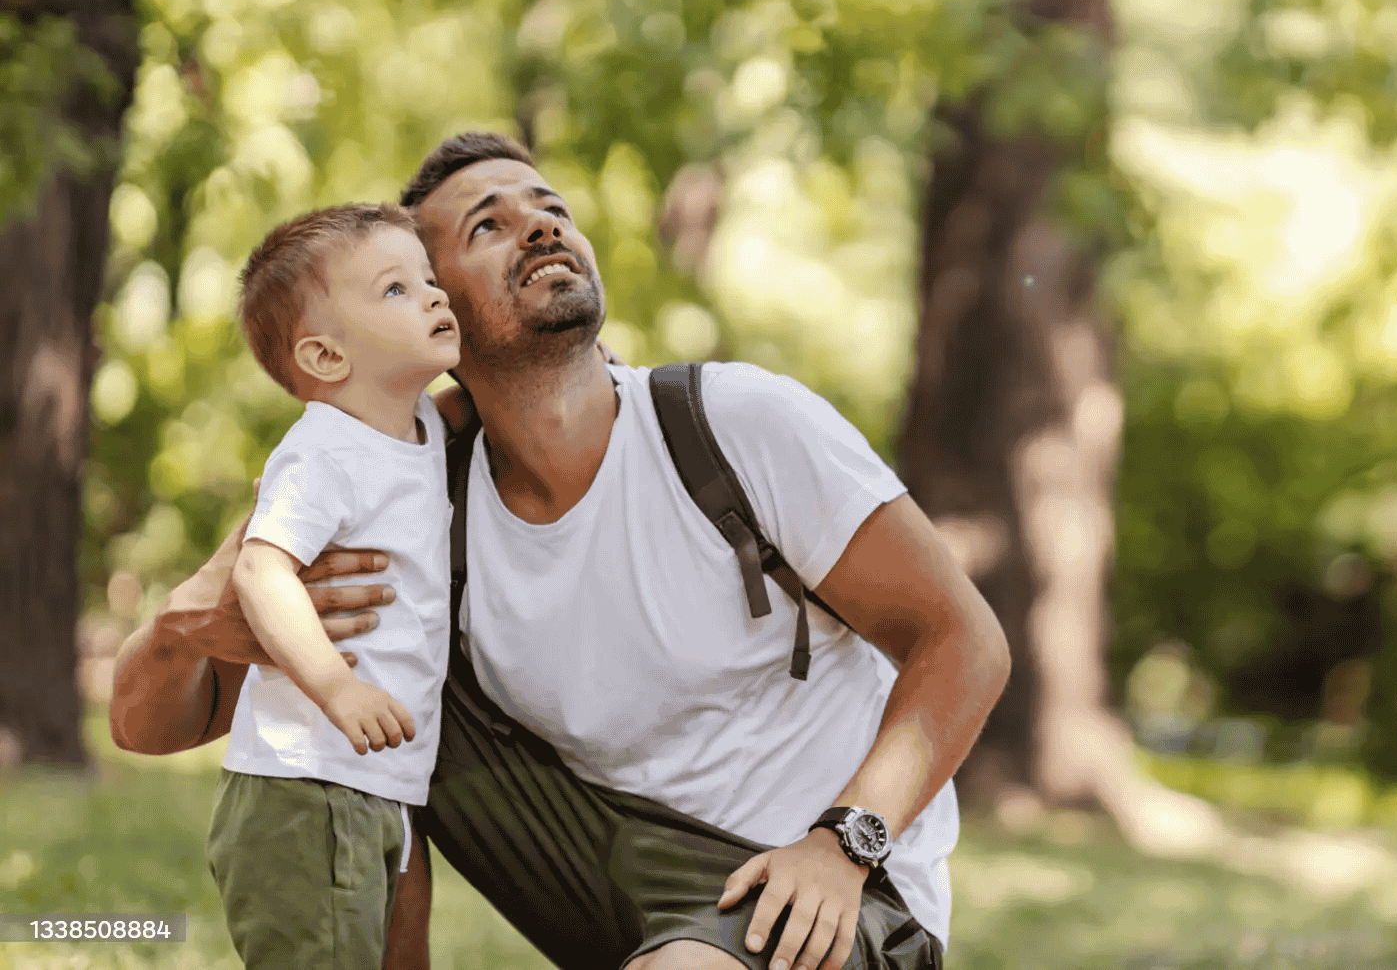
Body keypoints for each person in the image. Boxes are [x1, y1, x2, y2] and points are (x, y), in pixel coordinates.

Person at [110, 132, 1012, 970]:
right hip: (610, 874)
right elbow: (147, 722)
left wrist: (845, 839)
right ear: (435, 310)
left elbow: (964, 639)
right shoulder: (405, 487)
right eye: (487, 226)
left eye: (549, 208)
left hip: (825, 886)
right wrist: (185, 624)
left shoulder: (735, 423)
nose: (539, 224)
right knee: (396, 695)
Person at [206, 202, 463, 969]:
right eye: (395, 289)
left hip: (369, 780)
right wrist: (335, 686)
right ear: (323, 357)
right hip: (308, 780)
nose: (434, 295)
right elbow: (261, 565)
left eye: (429, 279)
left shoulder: (418, 425)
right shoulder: (324, 449)